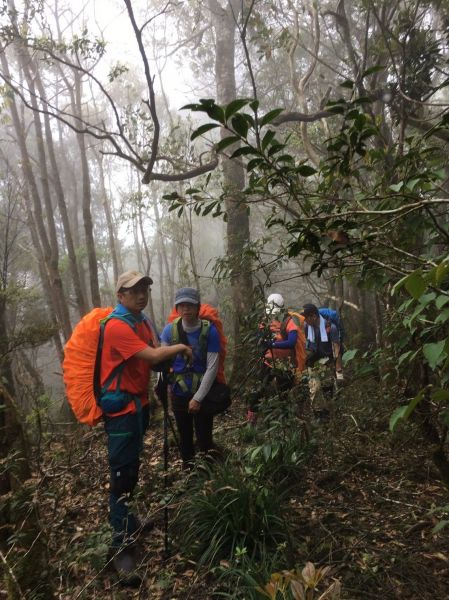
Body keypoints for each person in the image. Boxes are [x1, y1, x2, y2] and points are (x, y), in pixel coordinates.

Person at [100, 270, 193, 582]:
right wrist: (179, 348)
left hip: (137, 405)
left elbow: (151, 360)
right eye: (134, 290)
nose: (141, 294)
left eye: (145, 289)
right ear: (121, 295)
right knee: (121, 475)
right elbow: (153, 354)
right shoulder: (116, 325)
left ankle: (130, 521)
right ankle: (121, 546)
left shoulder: (142, 321)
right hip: (120, 410)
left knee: (132, 469)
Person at [160, 287, 220, 469]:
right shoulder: (169, 331)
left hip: (203, 392)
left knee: (204, 437)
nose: (186, 310)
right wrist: (161, 387)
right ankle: (190, 471)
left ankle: (209, 474)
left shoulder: (210, 331)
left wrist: (198, 398)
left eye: (190, 305)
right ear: (177, 308)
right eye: (182, 305)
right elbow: (163, 361)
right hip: (178, 392)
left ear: (198, 307)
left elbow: (213, 366)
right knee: (184, 436)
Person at [247, 293, 305, 424]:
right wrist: (263, 341)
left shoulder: (289, 321)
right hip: (268, 361)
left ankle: (283, 422)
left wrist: (272, 344)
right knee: (259, 389)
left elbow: (291, 342)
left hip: (285, 364)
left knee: (284, 392)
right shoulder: (265, 321)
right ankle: (251, 421)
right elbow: (259, 338)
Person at [301, 303, 343, 419]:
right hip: (313, 361)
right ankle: (318, 415)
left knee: (327, 388)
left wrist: (339, 371)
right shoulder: (307, 326)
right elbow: (308, 344)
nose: (304, 320)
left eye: (306, 317)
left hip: (327, 361)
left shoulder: (331, 328)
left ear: (313, 316)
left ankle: (331, 415)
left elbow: (336, 348)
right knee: (315, 388)